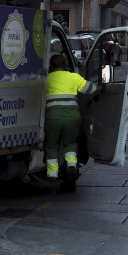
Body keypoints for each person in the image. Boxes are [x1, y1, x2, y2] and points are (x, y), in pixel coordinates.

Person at [44, 53, 97, 181]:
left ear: (51, 65)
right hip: (72, 117)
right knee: (70, 143)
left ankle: (52, 174)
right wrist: (100, 87)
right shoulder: (73, 77)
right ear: (65, 65)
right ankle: (71, 165)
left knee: (52, 145)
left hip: (53, 117)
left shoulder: (47, 79)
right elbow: (91, 88)